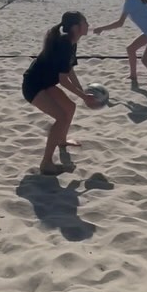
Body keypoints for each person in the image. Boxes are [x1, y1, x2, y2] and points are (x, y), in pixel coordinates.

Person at [22, 12, 102, 175]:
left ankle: (62, 141)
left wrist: (83, 92)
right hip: (34, 85)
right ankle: (46, 163)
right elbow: (63, 79)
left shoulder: (72, 42)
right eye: (84, 22)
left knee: (70, 107)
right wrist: (84, 96)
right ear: (75, 27)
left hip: (46, 83)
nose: (87, 24)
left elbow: (69, 70)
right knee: (61, 117)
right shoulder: (64, 44)